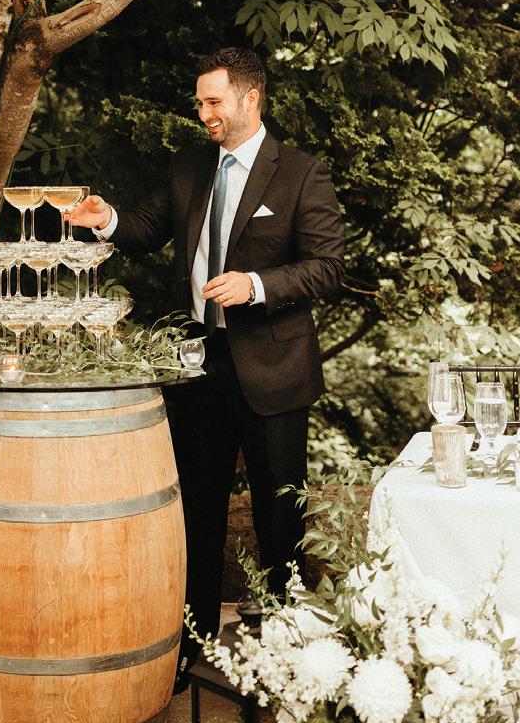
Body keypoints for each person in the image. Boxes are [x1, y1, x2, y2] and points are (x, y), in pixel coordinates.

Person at [69, 48, 344, 691]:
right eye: (199, 102)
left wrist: (256, 284)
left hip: (273, 369)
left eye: (213, 102)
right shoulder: (190, 165)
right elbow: (145, 229)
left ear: (250, 98)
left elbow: (328, 267)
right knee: (195, 510)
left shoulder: (301, 172)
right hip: (196, 365)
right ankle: (187, 651)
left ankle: (283, 655)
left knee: (279, 516)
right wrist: (106, 219)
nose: (203, 114)